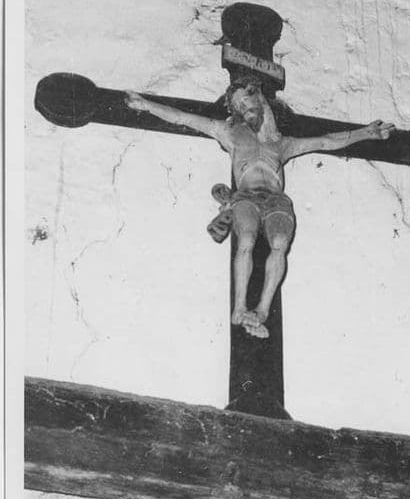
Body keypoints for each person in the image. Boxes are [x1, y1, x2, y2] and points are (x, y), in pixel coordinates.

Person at [126, 77, 395, 338]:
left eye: (246, 101)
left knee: (279, 243)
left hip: (276, 200)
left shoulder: (284, 144)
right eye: (238, 106)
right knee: (246, 238)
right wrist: (146, 105)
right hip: (246, 196)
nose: (244, 109)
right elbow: (183, 118)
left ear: (260, 99)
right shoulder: (229, 133)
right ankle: (240, 307)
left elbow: (326, 141)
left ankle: (262, 310)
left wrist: (365, 133)